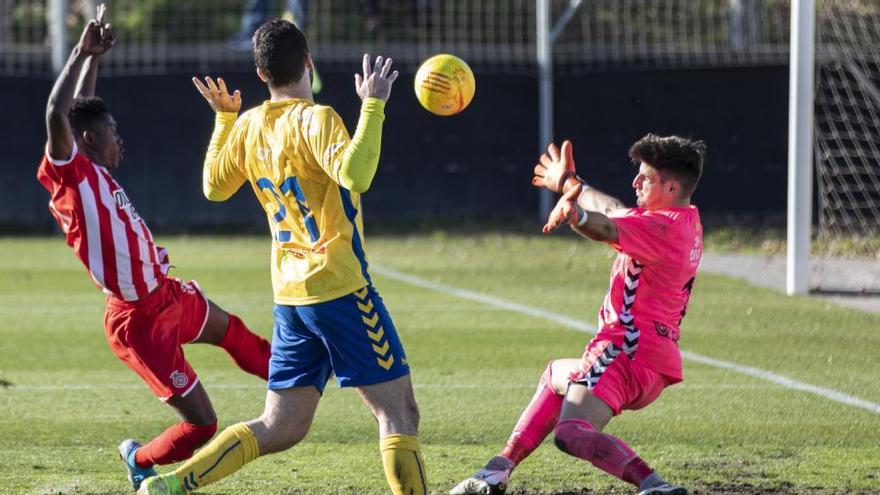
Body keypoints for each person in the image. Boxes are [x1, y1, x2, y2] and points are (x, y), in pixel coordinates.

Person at [138, 19, 427, 495]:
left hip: (291, 297)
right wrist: (373, 104)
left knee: (281, 426)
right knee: (399, 413)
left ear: (259, 73)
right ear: (309, 64)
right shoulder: (318, 119)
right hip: (339, 288)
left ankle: (173, 484)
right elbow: (357, 175)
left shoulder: (249, 124)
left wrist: (224, 119)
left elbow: (213, 187)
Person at [37, 5, 272, 491]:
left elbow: (83, 107)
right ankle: (138, 458)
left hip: (166, 295)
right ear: (86, 142)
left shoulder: (91, 167)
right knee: (202, 425)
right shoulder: (70, 175)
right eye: (112, 134)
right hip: (139, 322)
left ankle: (298, 377)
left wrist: (93, 59)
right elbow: (57, 113)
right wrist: (79, 50)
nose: (119, 141)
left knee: (233, 332)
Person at [450, 135, 705, 495]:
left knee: (571, 432)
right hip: (653, 362)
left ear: (671, 185)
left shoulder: (658, 228)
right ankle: (497, 469)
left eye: (645, 177)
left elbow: (604, 226)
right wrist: (571, 184)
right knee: (557, 374)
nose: (635, 182)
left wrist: (576, 213)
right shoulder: (684, 220)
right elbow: (615, 210)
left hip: (623, 354)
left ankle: (654, 486)